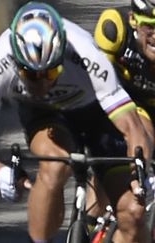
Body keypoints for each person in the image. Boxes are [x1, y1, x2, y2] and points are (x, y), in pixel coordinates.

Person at [0, 2, 153, 243]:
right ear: (16, 60)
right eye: (31, 75)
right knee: (55, 166)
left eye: (51, 73)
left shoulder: (85, 52)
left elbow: (131, 127)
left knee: (133, 213)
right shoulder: (0, 58)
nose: (43, 84)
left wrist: (139, 171)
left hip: (96, 113)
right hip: (45, 115)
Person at [83, 0, 155, 231]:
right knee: (111, 158)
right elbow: (95, 80)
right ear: (134, 21)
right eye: (150, 27)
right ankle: (89, 223)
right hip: (122, 101)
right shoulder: (114, 28)